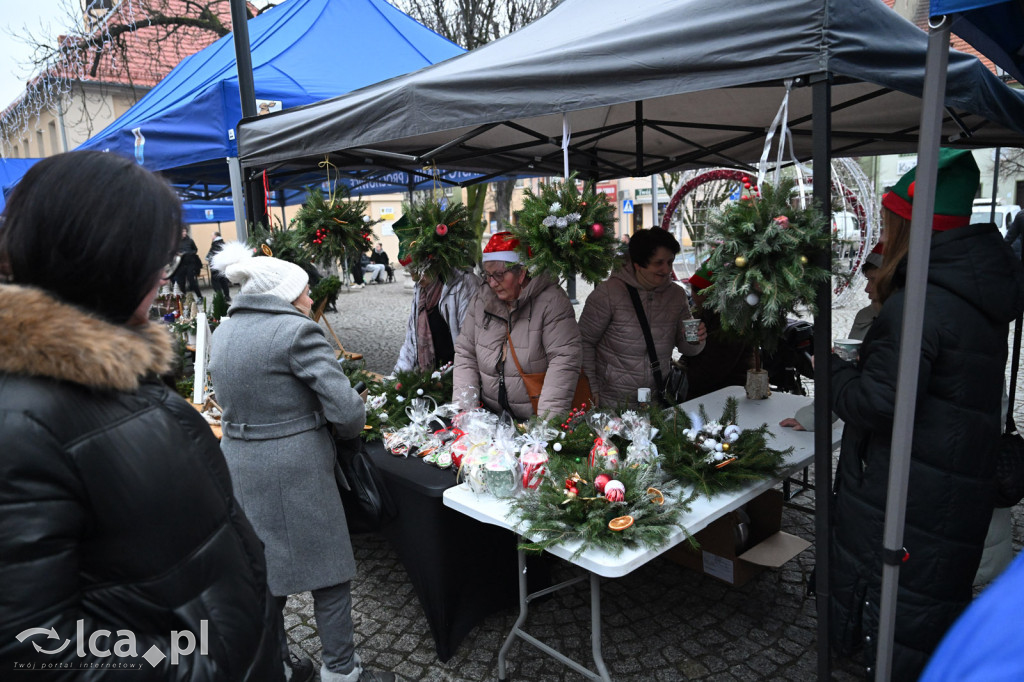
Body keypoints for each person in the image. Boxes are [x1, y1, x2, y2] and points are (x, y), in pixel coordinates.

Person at [0, 151, 282, 679]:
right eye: (160, 261)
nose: (164, 276)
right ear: (105, 260)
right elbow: (32, 651)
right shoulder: (20, 426)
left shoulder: (109, 372)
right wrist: (198, 666)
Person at [827, 149, 1024, 680]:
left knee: (895, 610)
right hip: (948, 484)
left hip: (909, 489)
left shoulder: (918, 304)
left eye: (892, 226)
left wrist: (831, 370)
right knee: (930, 604)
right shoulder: (974, 288)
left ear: (912, 228)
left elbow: (877, 404)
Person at [208, 243, 394, 682]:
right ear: (287, 295)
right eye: (307, 290)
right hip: (295, 467)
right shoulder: (297, 332)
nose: (312, 299)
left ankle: (278, 666)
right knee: (329, 572)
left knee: (265, 571)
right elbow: (347, 412)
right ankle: (342, 672)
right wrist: (347, 430)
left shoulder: (224, 332)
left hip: (239, 462)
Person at [453, 231, 582, 420]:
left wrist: (547, 427)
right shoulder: (481, 300)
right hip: (491, 416)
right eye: (487, 275)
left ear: (521, 273)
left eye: (498, 275)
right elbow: (466, 353)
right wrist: (465, 412)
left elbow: (564, 361)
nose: (492, 283)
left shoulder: (552, 302)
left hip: (534, 418)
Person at [578, 228, 706, 408]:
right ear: (638, 264)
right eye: (658, 263)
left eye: (670, 262)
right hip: (613, 402)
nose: (667, 269)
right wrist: (592, 389)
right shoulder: (608, 293)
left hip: (657, 401)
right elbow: (584, 342)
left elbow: (687, 347)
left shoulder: (676, 295)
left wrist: (695, 341)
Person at [779, 242, 884, 432]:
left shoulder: (910, 324)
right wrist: (812, 418)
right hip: (863, 432)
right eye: (867, 280)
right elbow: (848, 378)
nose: (867, 289)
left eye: (873, 281)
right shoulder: (866, 316)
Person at [683, 261, 756, 400]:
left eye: (698, 290)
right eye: (693, 289)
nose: (693, 295)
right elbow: (689, 353)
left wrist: (682, 380)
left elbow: (711, 371)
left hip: (730, 395)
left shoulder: (731, 322)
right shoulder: (698, 313)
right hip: (706, 390)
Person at [395, 268, 480, 373]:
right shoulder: (421, 290)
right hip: (431, 379)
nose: (414, 278)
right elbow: (411, 341)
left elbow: (470, 348)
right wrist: (397, 378)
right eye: (410, 271)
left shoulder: (463, 285)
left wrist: (453, 380)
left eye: (418, 270)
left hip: (458, 376)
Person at [171, 226, 204, 300]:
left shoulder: (190, 240)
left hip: (189, 263)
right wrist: (177, 254)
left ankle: (199, 296)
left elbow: (195, 249)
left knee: (192, 281)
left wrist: (189, 253)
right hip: (180, 265)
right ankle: (184, 299)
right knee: (181, 283)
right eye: (182, 231)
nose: (184, 233)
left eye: (185, 231)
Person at [207, 230, 233, 302]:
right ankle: (227, 296)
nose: (211, 237)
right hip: (222, 265)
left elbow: (211, 255)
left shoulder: (215, 244)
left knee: (215, 282)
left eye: (212, 235)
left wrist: (209, 258)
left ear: (215, 236)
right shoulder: (222, 243)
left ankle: (220, 297)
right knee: (223, 280)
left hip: (215, 265)